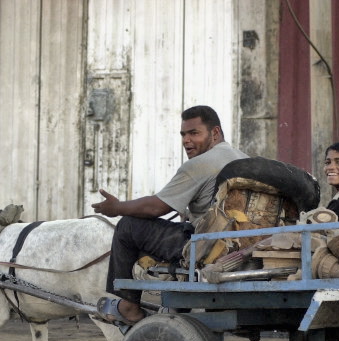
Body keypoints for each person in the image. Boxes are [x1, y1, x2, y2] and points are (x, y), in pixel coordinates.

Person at [91, 105, 248, 325]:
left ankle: (129, 306)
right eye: (183, 134)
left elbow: (156, 208)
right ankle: (176, 309)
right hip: (240, 244)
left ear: (215, 133)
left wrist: (117, 208)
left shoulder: (200, 164)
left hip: (208, 247)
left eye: (194, 133)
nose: (186, 140)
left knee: (129, 226)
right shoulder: (244, 159)